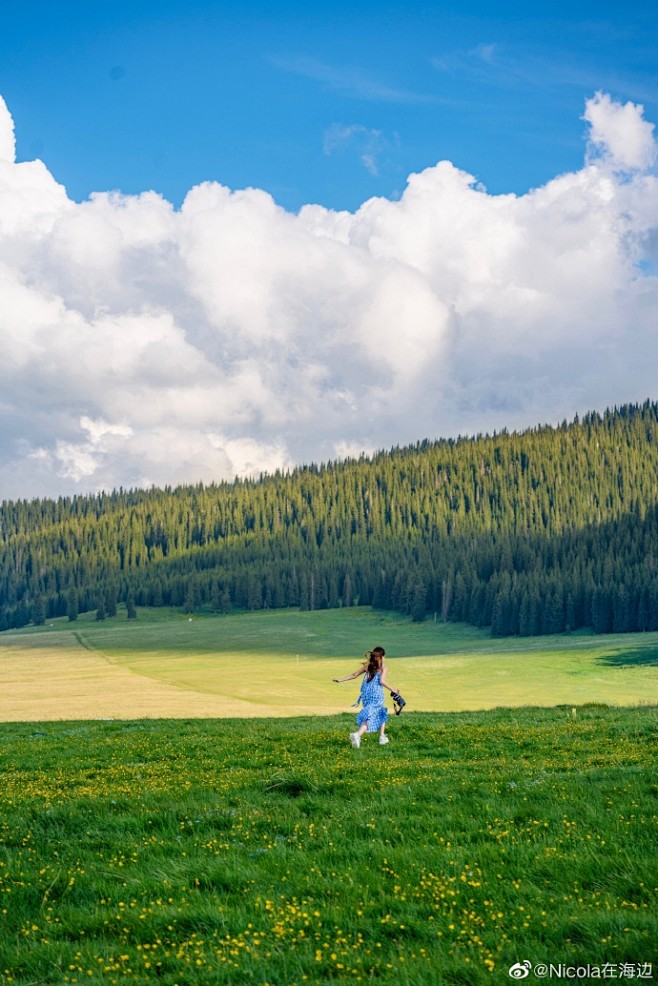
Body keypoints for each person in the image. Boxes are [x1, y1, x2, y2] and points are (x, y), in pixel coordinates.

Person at [333, 646, 397, 748]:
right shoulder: (383, 667)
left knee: (380, 712)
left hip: (366, 694)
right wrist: (393, 689)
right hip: (376, 694)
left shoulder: (368, 665)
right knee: (371, 716)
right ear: (383, 656)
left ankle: (382, 737)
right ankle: (357, 735)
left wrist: (340, 680)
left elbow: (354, 675)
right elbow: (382, 681)